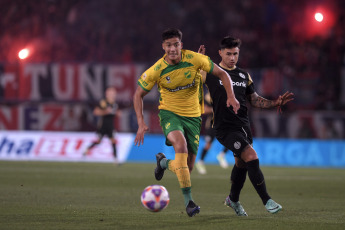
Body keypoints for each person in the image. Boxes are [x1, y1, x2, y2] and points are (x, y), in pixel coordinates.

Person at [133, 28, 240, 217]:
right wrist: (141, 122)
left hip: (193, 118)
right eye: (168, 45)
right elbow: (138, 94)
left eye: (176, 44)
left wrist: (231, 97)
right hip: (170, 115)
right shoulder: (157, 70)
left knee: (187, 168)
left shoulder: (194, 59)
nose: (172, 49)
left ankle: (164, 163)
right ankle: (189, 202)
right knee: (180, 146)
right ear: (163, 47)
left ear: (181, 45)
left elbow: (223, 74)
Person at [199, 36, 294, 216]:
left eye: (235, 54)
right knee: (251, 155)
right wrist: (197, 62)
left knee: (241, 164)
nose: (232, 58)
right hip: (223, 128)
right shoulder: (211, 71)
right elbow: (193, 79)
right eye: (228, 54)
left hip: (243, 126)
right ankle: (267, 200)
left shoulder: (244, 75)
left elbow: (254, 99)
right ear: (220, 53)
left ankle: (232, 200)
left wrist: (275, 103)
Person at [83, 86, 120, 163]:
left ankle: (116, 159)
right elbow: (95, 112)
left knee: (113, 141)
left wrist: (117, 113)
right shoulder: (103, 103)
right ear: (107, 93)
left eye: (114, 93)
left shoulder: (115, 104)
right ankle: (88, 148)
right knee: (99, 141)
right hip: (103, 125)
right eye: (111, 92)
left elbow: (117, 113)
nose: (113, 94)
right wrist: (106, 112)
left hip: (111, 125)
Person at [195, 93, 230, 175]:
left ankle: (222, 155)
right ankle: (200, 162)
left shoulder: (227, 93)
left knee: (230, 138)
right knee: (208, 144)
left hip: (223, 122)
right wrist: (215, 109)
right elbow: (204, 110)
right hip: (212, 124)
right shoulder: (209, 96)